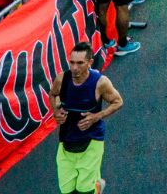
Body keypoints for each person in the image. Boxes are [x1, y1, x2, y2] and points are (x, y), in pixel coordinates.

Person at [49, 42, 122, 194]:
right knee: (67, 191)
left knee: (84, 191)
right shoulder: (62, 79)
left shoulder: (100, 82)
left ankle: (94, 188)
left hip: (91, 141)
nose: (75, 68)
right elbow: (53, 94)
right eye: (72, 62)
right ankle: (97, 186)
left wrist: (97, 116)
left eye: (80, 63)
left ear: (90, 62)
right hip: (67, 142)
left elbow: (118, 101)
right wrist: (56, 111)